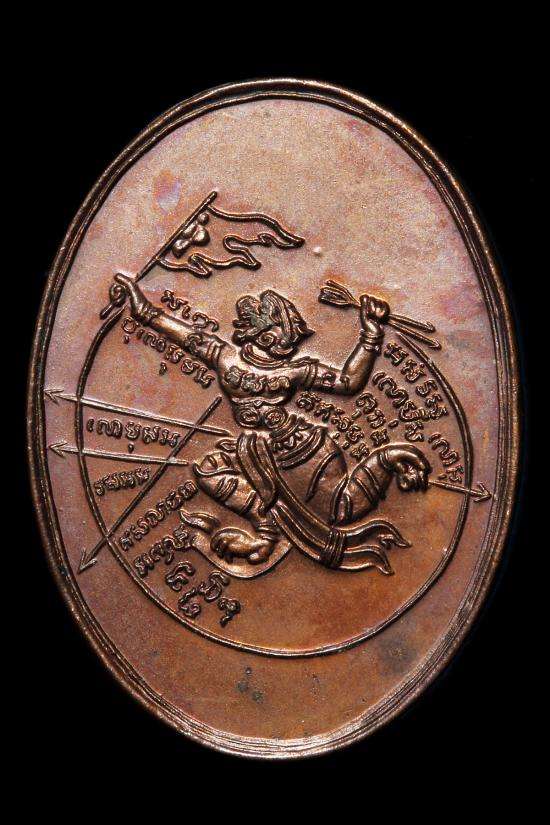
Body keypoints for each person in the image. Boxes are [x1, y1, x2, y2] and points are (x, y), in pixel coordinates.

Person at [114, 274, 431, 573]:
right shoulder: (225, 357)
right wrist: (143, 311)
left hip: (301, 448)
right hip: (254, 449)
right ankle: (267, 529)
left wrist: (371, 335)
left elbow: (348, 382)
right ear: (263, 334)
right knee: (209, 470)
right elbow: (187, 337)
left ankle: (388, 460)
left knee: (336, 510)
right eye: (286, 334)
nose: (291, 341)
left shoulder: (293, 370)